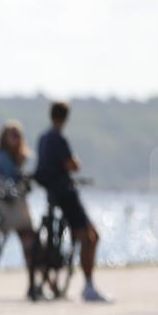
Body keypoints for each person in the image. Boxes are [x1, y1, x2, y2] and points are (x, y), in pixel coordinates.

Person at [34, 101, 109, 302]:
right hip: (65, 194)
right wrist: (75, 162)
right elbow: (72, 165)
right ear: (66, 118)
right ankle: (89, 285)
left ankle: (48, 278)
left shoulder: (43, 138)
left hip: (51, 194)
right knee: (91, 237)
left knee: (73, 235)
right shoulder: (59, 139)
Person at [0, 120, 38, 298]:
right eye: (12, 135)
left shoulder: (20, 158)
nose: (16, 138)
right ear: (5, 138)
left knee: (30, 246)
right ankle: (33, 285)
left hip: (18, 206)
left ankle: (33, 285)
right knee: (29, 244)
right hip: (10, 208)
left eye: (18, 135)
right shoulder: (2, 158)